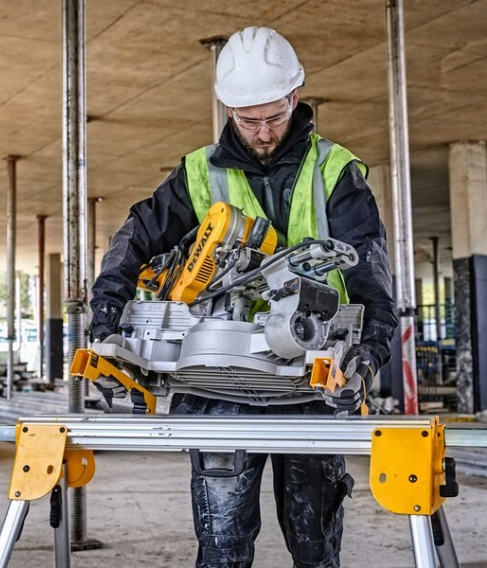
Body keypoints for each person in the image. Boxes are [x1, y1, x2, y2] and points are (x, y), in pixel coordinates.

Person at [90, 26, 397, 568]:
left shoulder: (334, 170)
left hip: (310, 376)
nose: (261, 132)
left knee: (314, 545)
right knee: (222, 549)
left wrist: (369, 354)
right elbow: (137, 235)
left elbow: (370, 273)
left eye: (273, 117)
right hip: (216, 379)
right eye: (247, 118)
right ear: (228, 108)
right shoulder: (198, 173)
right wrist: (107, 312)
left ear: (295, 98)